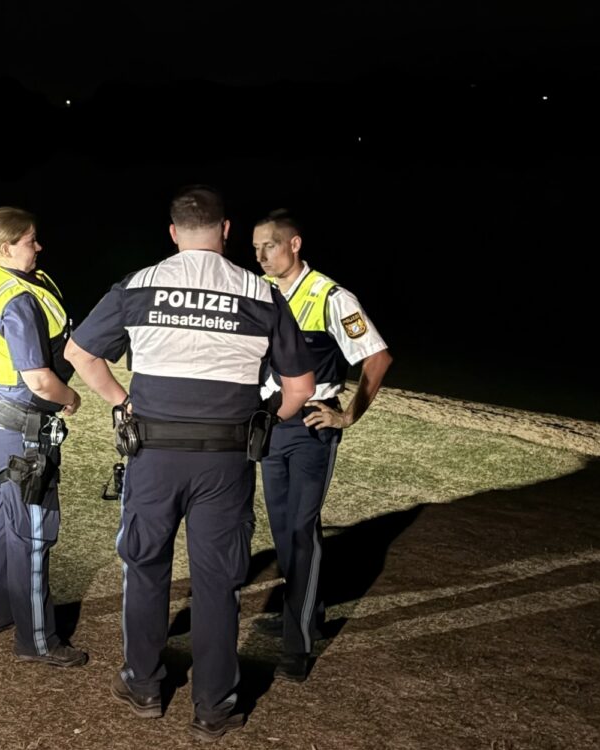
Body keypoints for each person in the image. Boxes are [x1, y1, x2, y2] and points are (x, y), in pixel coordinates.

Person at [65, 186, 314, 741]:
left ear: (174, 233)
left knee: (145, 565)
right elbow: (300, 386)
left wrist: (119, 401)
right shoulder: (262, 293)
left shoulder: (139, 284)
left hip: (153, 453)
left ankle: (144, 683)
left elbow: (80, 352)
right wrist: (265, 418)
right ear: (225, 231)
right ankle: (214, 707)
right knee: (218, 581)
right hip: (226, 460)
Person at [250, 208, 392, 681]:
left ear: (294, 244)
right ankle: (303, 612)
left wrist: (347, 415)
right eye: (254, 248)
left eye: (268, 245)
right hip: (270, 424)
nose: (260, 255)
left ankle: (299, 644)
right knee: (283, 528)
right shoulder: (261, 291)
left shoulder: (331, 296)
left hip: (312, 426)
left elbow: (377, 358)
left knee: (302, 529)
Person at [0, 206, 88, 668]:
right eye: (31, 240)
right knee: (32, 528)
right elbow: (38, 379)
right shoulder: (18, 298)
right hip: (18, 427)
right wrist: (70, 398)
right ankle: (38, 640)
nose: (39, 247)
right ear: (6, 246)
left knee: (3, 514)